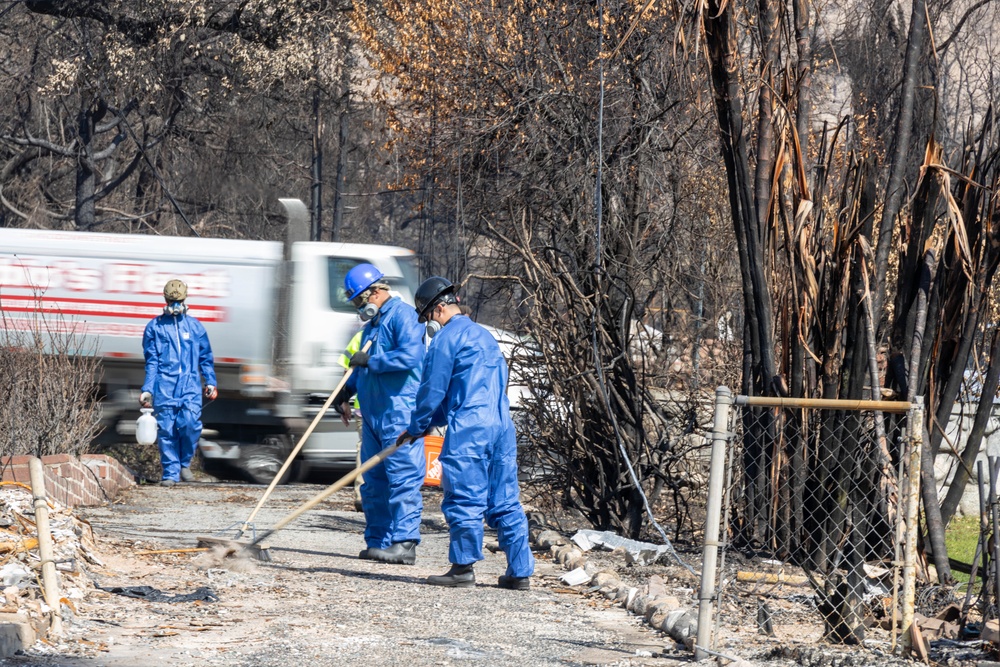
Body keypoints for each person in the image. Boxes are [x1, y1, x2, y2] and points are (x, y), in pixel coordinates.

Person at [396, 277, 535, 590]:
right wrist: (429, 425)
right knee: (506, 500)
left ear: (440, 307)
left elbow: (432, 391)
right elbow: (468, 391)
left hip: (470, 430)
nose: (430, 321)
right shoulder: (485, 337)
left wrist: (417, 426)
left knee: (464, 497)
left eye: (430, 315)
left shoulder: (445, 341)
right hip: (501, 426)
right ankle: (519, 571)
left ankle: (462, 568)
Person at [335, 263, 426, 565]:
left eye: (360, 300)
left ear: (375, 292)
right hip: (375, 414)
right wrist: (345, 391)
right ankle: (379, 540)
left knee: (402, 478)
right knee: (373, 482)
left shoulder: (405, 316)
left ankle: (405, 542)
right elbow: (360, 367)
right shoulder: (370, 327)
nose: (359, 308)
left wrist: (372, 362)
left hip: (399, 411)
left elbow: (411, 356)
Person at [140, 279, 217, 487]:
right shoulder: (154, 328)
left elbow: (205, 357)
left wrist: (210, 381)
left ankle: (184, 463)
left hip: (190, 385)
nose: (175, 305)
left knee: (190, 424)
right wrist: (147, 389)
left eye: (179, 301)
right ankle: (171, 473)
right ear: (165, 300)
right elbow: (152, 362)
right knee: (167, 430)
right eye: (172, 301)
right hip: (164, 386)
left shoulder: (195, 327)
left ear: (185, 300)